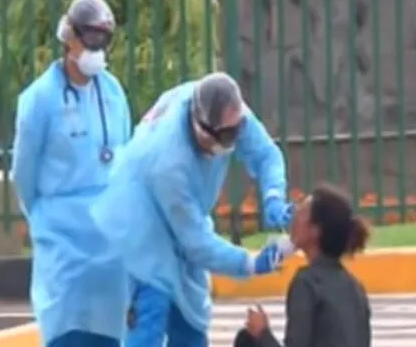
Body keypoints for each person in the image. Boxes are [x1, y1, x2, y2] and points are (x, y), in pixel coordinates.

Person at [90, 72, 295, 347]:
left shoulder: (227, 110)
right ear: (201, 128)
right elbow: (196, 243)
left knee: (190, 319)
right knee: (152, 309)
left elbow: (265, 154)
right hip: (138, 225)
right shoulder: (169, 162)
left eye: (236, 133)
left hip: (182, 218)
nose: (232, 142)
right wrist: (248, 263)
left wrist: (273, 195)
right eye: (225, 136)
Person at [10, 0, 132, 347]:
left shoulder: (112, 92)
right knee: (68, 331)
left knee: (109, 333)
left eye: (104, 38)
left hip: (110, 247)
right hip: (63, 243)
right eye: (90, 37)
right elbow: (24, 173)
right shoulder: (39, 100)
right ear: (69, 37)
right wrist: (44, 218)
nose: (97, 46)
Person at [237, 182, 372, 347]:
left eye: (301, 212)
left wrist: (262, 333)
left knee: (248, 339)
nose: (293, 217)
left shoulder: (307, 283)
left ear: (315, 230)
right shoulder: (355, 287)